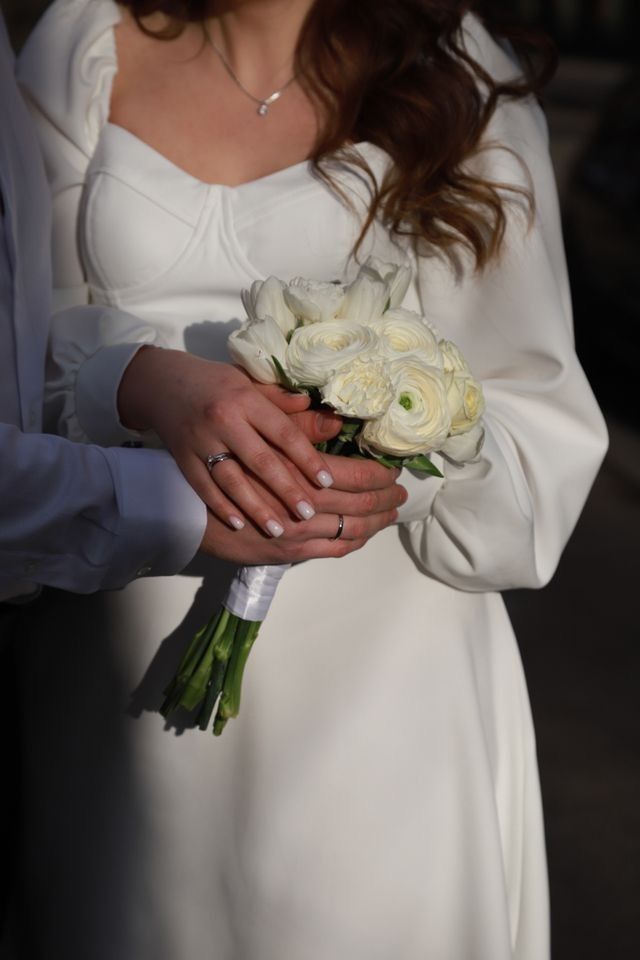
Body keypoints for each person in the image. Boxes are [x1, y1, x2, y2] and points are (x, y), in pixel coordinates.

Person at [15, 1, 607, 958]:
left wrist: (392, 469)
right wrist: (130, 377)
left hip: (378, 686)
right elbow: (18, 350)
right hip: (113, 657)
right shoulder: (84, 41)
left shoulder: (452, 71)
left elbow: (536, 411)